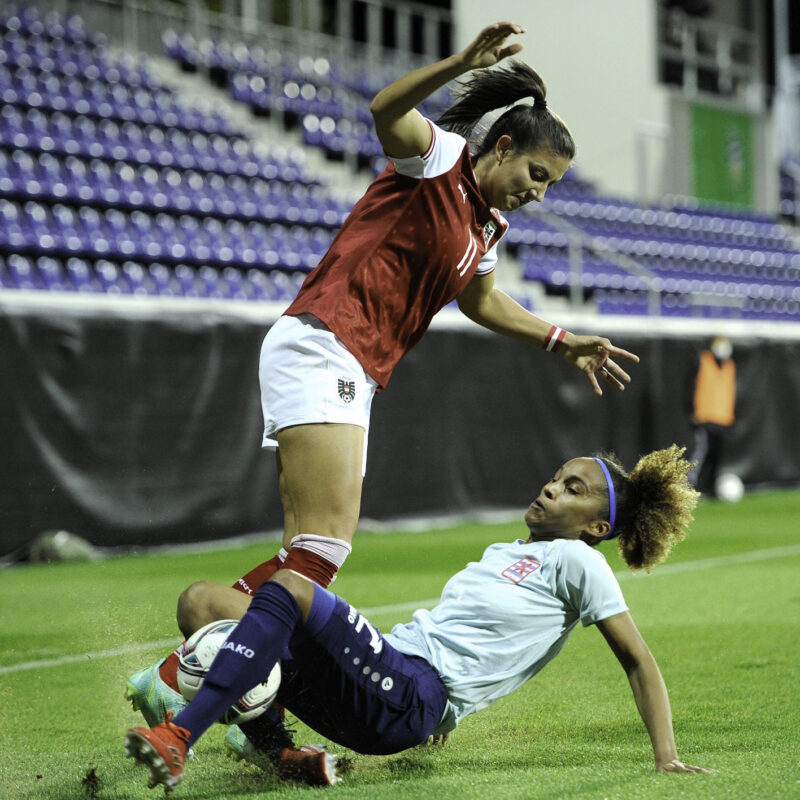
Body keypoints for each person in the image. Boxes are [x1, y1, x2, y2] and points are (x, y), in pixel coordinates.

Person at [125, 20, 640, 778]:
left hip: (354, 366)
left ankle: (245, 706)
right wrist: (461, 64)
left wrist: (562, 340)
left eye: (552, 183)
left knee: (298, 564)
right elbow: (383, 110)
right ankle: (182, 684)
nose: (539, 190)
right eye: (535, 172)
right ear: (501, 148)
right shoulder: (442, 162)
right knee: (322, 553)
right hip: (326, 341)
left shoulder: (486, 225)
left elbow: (482, 302)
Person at [124, 444, 712, 791]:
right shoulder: (507, 553)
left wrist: (665, 756)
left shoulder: (578, 563)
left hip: (408, 696)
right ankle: (276, 749)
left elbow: (637, 660)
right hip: (382, 674)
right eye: (557, 478)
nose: (552, 488)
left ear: (596, 528)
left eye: (573, 489)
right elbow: (478, 640)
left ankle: (179, 736)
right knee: (202, 602)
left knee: (292, 590)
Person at [687, 335, 736, 496]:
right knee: (700, 454)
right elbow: (690, 388)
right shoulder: (702, 361)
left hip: (722, 419)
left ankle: (710, 488)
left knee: (717, 456)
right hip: (704, 417)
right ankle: (690, 488)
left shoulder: (729, 366)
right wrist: (693, 411)